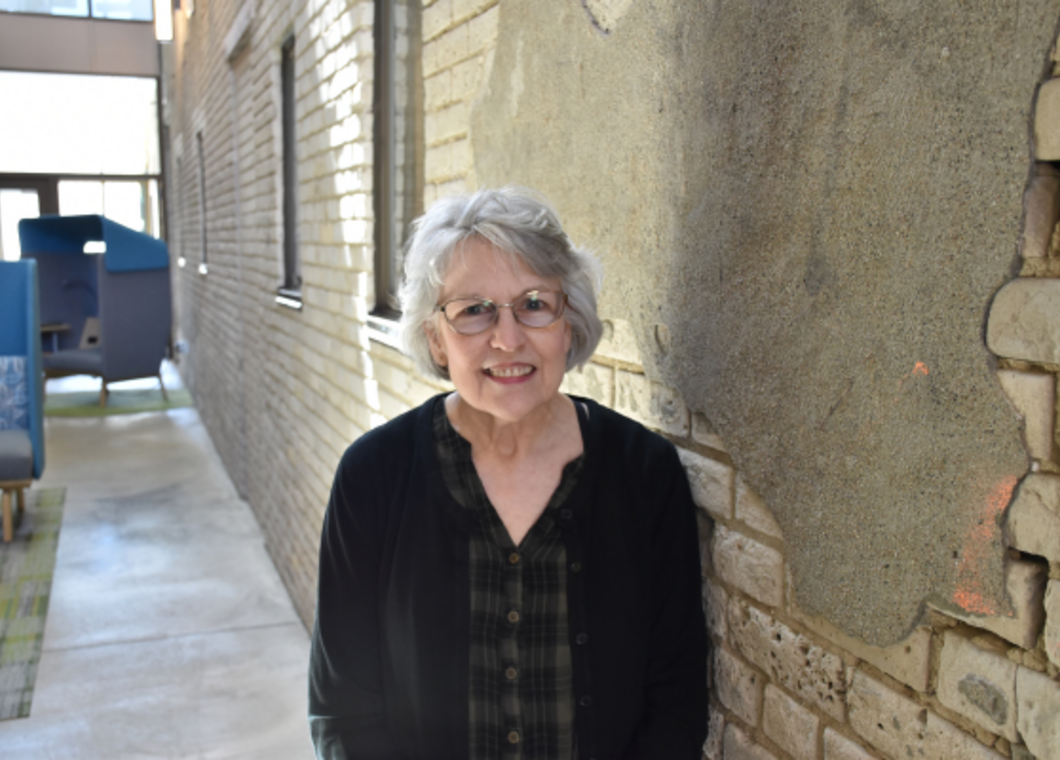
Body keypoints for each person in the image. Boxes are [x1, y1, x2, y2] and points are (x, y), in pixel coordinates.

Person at [309, 187, 707, 759]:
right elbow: (343, 708)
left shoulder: (646, 476)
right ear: (436, 339)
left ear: (569, 323)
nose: (508, 337)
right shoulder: (373, 477)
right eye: (473, 310)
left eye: (534, 304)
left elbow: (676, 696)